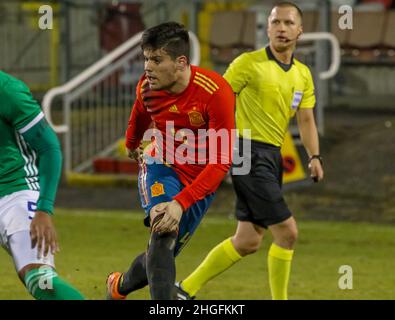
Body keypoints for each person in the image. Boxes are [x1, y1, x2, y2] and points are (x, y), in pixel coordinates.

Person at [175, 2, 324, 300]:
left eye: (288, 23)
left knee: (247, 241)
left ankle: (183, 290)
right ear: (267, 28)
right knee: (287, 232)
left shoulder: (303, 75)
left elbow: (306, 119)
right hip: (244, 152)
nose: (281, 28)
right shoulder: (248, 63)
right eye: (276, 22)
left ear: (300, 31)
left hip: (272, 156)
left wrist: (314, 156)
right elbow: (216, 100)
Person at [105, 22, 235, 300]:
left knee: (159, 254)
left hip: (200, 183)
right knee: (164, 231)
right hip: (161, 165)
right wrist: (131, 143)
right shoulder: (148, 86)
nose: (147, 67)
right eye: (145, 58)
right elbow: (140, 112)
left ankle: (119, 287)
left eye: (156, 59)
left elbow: (222, 162)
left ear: (181, 62)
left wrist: (182, 202)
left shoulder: (215, 93)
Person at [0, 71, 84, 300]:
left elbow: (49, 148)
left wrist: (43, 209)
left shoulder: (7, 90)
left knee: (41, 280)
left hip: (14, 193)